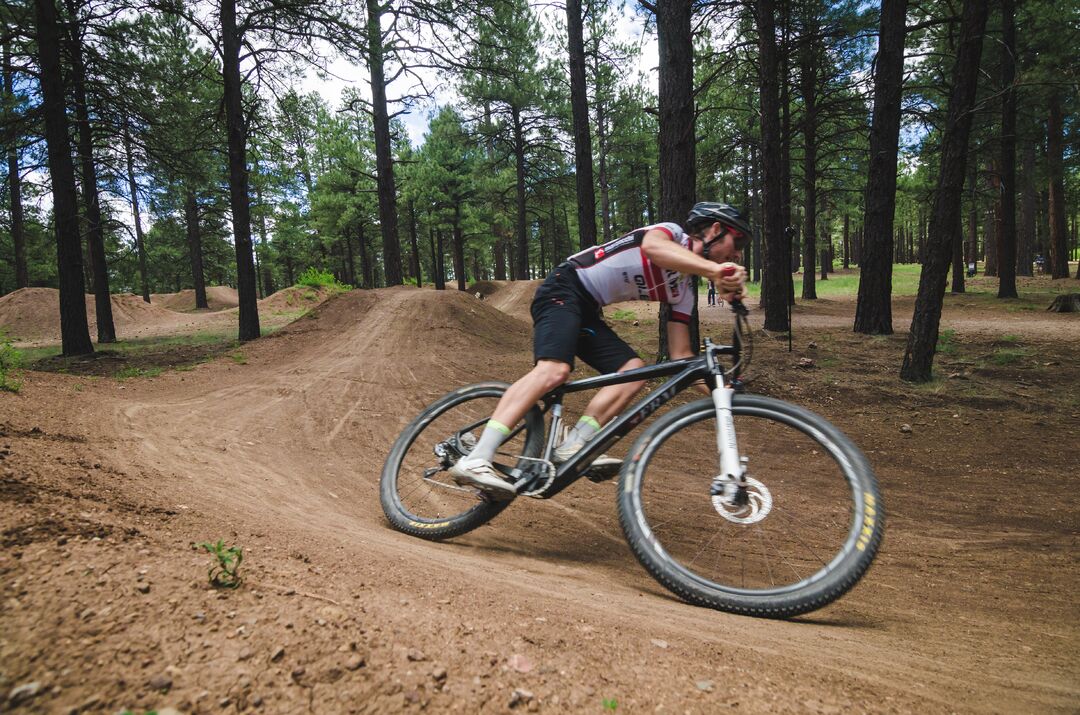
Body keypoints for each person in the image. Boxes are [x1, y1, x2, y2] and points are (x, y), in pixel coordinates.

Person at [450, 202, 751, 496]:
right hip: (563, 288)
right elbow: (652, 249)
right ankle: (477, 457)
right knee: (553, 370)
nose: (738, 254)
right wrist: (715, 270)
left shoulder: (682, 292)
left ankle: (573, 445)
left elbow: (681, 356)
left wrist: (720, 388)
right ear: (714, 229)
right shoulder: (671, 234)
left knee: (634, 372)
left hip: (588, 310)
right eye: (736, 242)